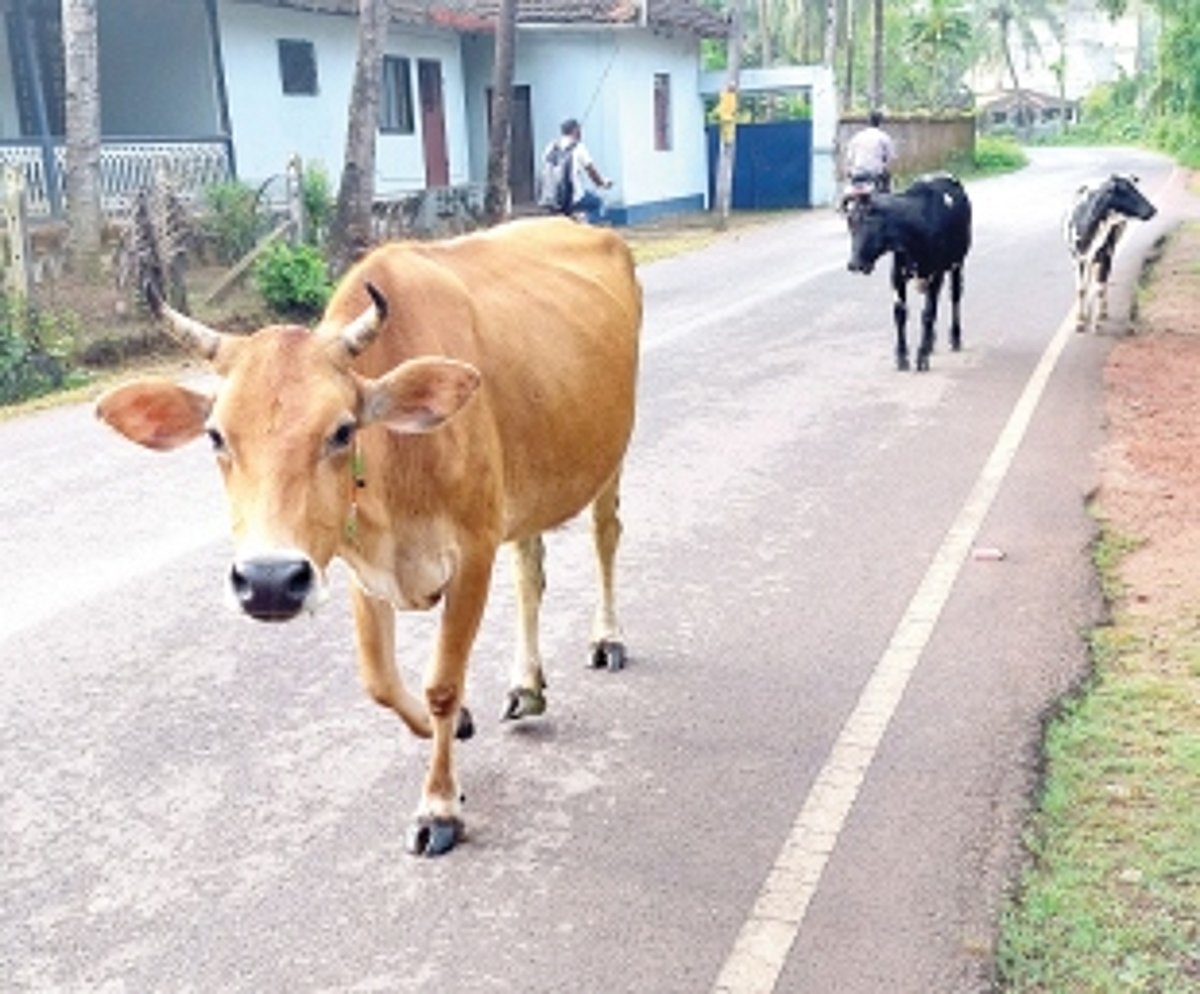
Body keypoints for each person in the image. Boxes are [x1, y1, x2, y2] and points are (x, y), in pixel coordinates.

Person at [539, 118, 613, 223]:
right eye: (579, 130)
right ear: (575, 131)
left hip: (551, 198)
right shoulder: (578, 147)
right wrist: (603, 183)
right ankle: (585, 225)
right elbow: (592, 172)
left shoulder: (550, 147)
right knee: (598, 204)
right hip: (573, 198)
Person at [844, 110, 896, 193]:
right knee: (888, 189)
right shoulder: (884, 137)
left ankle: (842, 204)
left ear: (868, 121)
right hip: (875, 174)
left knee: (847, 194)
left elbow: (849, 158)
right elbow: (890, 157)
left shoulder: (857, 136)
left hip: (857, 173)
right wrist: (884, 164)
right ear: (880, 122)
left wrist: (849, 171)